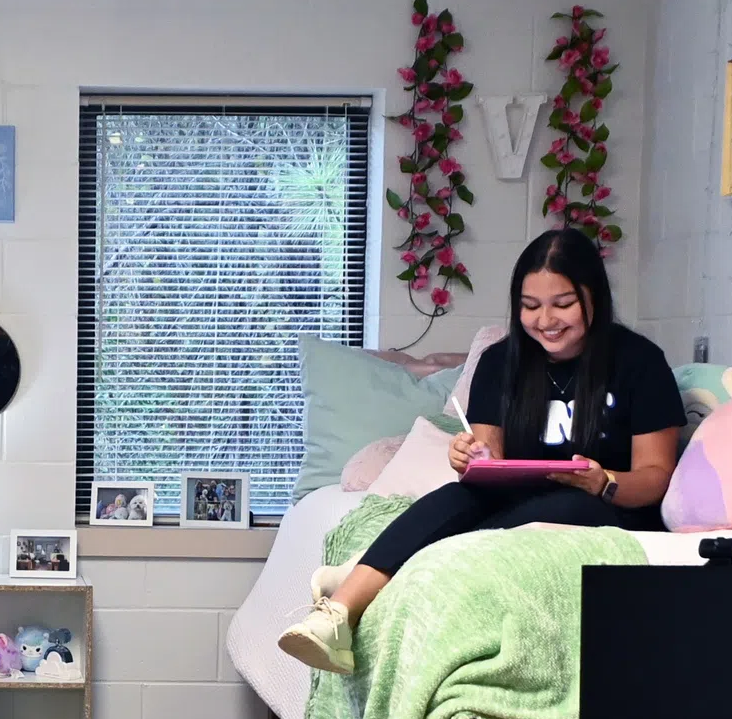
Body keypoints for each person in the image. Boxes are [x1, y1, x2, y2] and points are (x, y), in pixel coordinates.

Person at [280, 228, 683, 674]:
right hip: (521, 501)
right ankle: (335, 616)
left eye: (563, 304)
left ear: (595, 297)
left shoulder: (639, 362)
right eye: (530, 307)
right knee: (457, 496)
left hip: (609, 506)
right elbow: (489, 462)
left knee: (568, 500)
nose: (545, 319)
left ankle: (376, 569)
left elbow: (655, 477)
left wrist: (603, 481)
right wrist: (468, 458)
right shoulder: (501, 361)